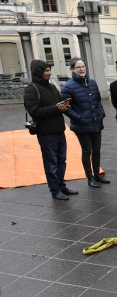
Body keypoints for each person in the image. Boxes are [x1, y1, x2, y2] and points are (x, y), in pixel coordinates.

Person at [23, 60, 78, 201]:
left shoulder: (52, 86)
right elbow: (34, 111)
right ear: (38, 72)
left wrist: (65, 105)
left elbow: (58, 103)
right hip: (46, 133)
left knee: (61, 160)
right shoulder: (31, 89)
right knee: (51, 163)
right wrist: (56, 108)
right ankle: (55, 190)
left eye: (49, 70)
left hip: (59, 129)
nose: (49, 73)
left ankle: (61, 185)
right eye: (46, 71)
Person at [61, 57, 109, 188]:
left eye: (83, 66)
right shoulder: (67, 87)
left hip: (95, 121)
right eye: (78, 67)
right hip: (81, 125)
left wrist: (101, 113)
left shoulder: (92, 83)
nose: (82, 69)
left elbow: (98, 101)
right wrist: (79, 119)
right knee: (87, 151)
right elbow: (66, 108)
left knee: (97, 150)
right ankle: (90, 177)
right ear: (72, 69)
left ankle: (97, 175)